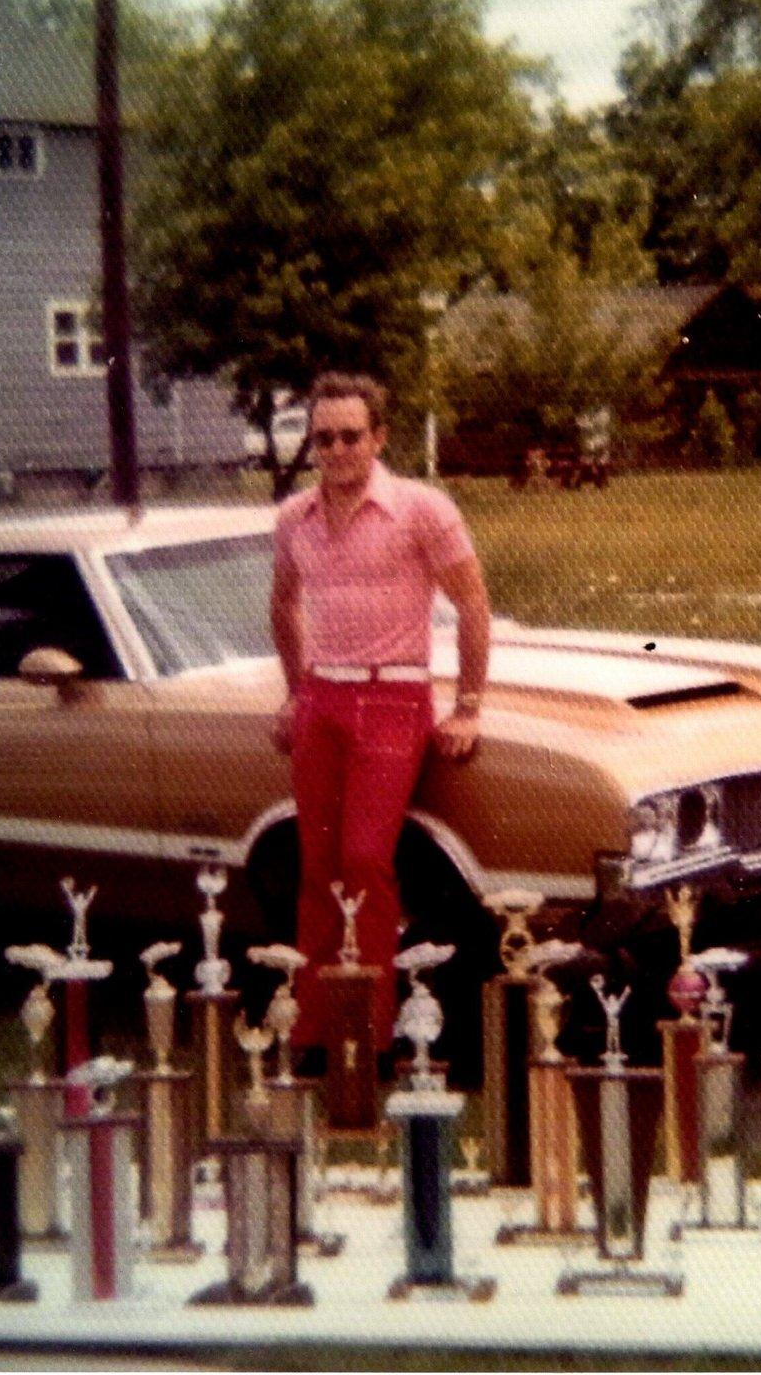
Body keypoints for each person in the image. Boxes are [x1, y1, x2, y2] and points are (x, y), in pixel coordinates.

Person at [269, 371, 491, 1055]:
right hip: (322, 699)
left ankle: (368, 1033)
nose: (337, 450)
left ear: (380, 438)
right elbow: (283, 602)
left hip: (394, 697)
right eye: (324, 439)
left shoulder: (423, 509)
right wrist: (295, 690)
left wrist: (468, 706)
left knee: (365, 859)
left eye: (351, 436)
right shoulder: (294, 517)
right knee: (316, 865)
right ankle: (312, 1032)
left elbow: (473, 605)